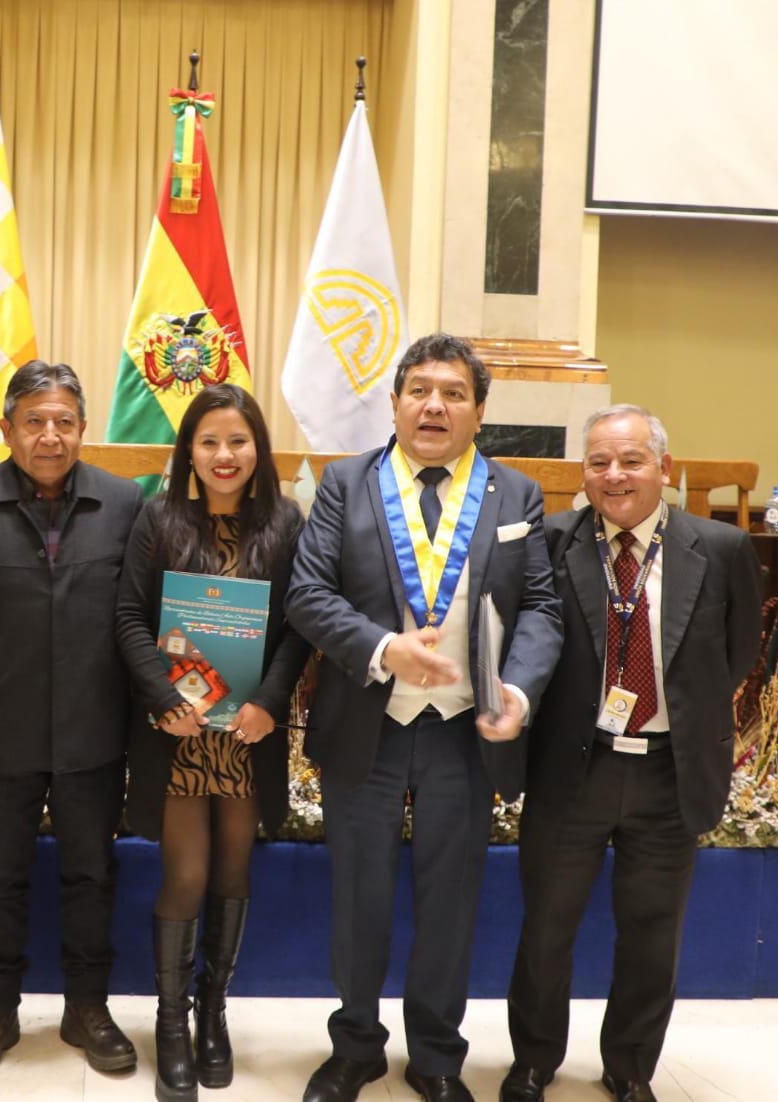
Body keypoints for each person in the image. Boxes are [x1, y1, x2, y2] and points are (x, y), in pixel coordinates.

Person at [286, 332, 563, 1102]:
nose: (434, 404)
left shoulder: (515, 494)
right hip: (367, 725)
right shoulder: (345, 484)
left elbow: (539, 606)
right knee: (359, 900)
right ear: (396, 401)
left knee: (451, 902)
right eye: (418, 389)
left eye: (452, 392)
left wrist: (519, 689)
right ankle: (356, 1048)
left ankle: (437, 1057)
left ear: (480, 410)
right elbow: (308, 595)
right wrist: (383, 649)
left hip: (465, 730)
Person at [501, 406, 762, 1102]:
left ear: (664, 470)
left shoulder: (722, 549)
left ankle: (629, 1067)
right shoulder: (550, 541)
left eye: (631, 461)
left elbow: (735, 658)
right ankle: (533, 1062)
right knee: (547, 928)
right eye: (598, 463)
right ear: (582, 473)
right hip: (571, 769)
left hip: (668, 771)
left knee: (651, 938)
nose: (613, 476)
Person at [0, 360, 143, 1084]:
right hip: (3, 728)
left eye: (65, 422)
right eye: (34, 421)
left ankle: (87, 1006)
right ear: (7, 428)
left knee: (91, 874)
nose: (49, 436)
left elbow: (136, 614)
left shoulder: (124, 504)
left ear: (84, 429)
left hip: (94, 728)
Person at [115, 384, 313, 1102]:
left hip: (246, 737)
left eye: (238, 441)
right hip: (178, 735)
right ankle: (172, 1022)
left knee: (234, 876)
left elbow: (299, 628)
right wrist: (164, 700)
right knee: (188, 877)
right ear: (189, 453)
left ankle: (214, 1015)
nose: (224, 455)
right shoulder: (158, 518)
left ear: (257, 448)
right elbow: (130, 620)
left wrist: (268, 703)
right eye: (209, 443)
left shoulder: (287, 524)